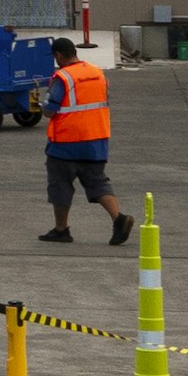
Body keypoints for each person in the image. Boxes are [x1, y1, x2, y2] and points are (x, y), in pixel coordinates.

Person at [37, 36, 130, 246]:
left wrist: (41, 105)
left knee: (60, 185)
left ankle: (61, 230)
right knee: (97, 182)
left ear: (59, 55)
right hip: (96, 140)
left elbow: (49, 111)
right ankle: (118, 218)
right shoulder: (97, 73)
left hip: (66, 144)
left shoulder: (62, 77)